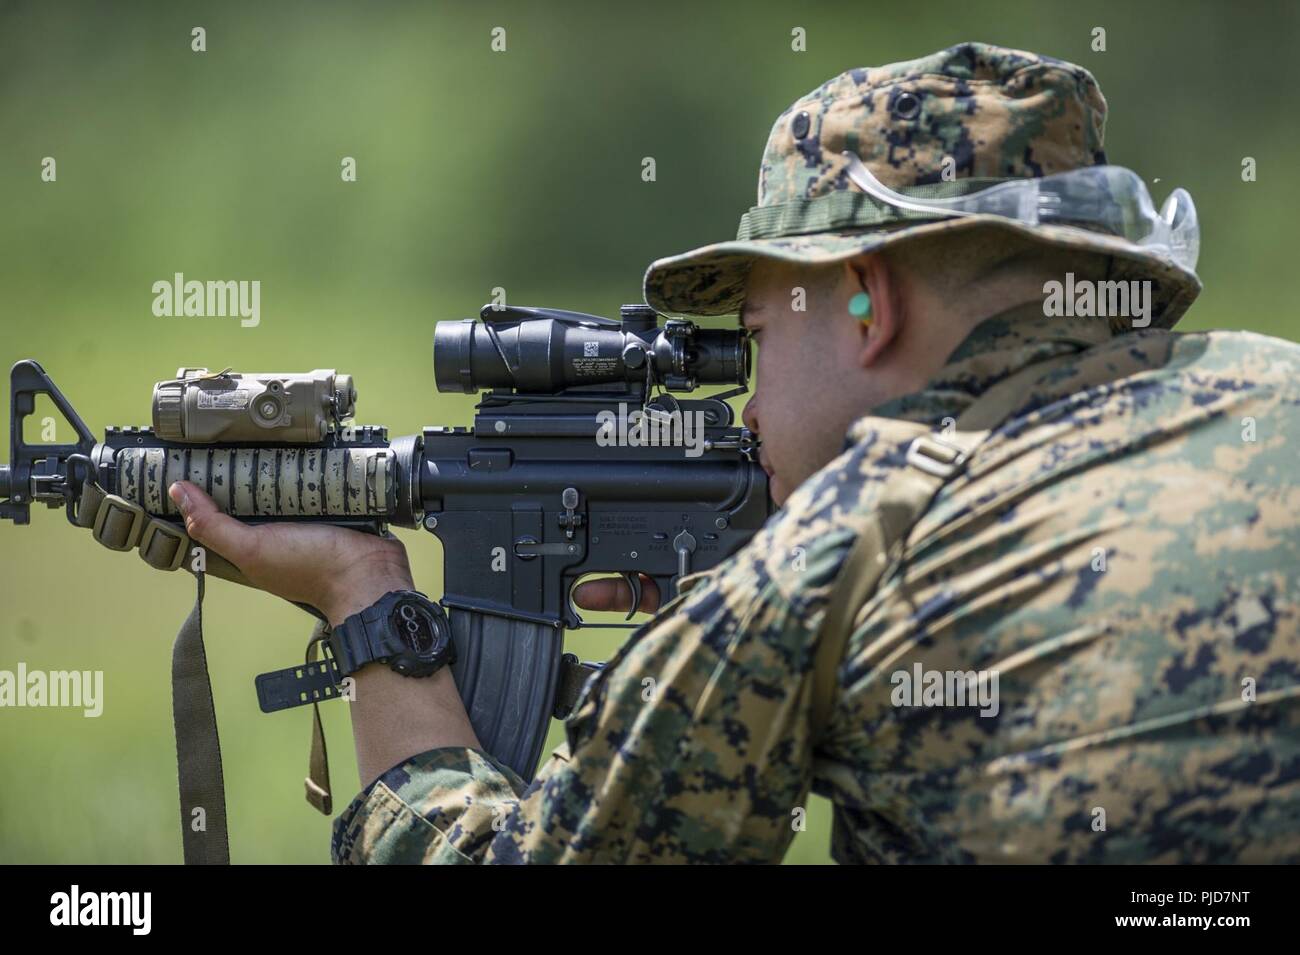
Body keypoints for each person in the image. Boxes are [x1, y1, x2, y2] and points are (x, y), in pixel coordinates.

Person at [167, 42, 1300, 863]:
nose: (747, 403)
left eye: (756, 335)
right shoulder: (1276, 385)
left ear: (866, 302)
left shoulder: (837, 552)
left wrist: (365, 600)